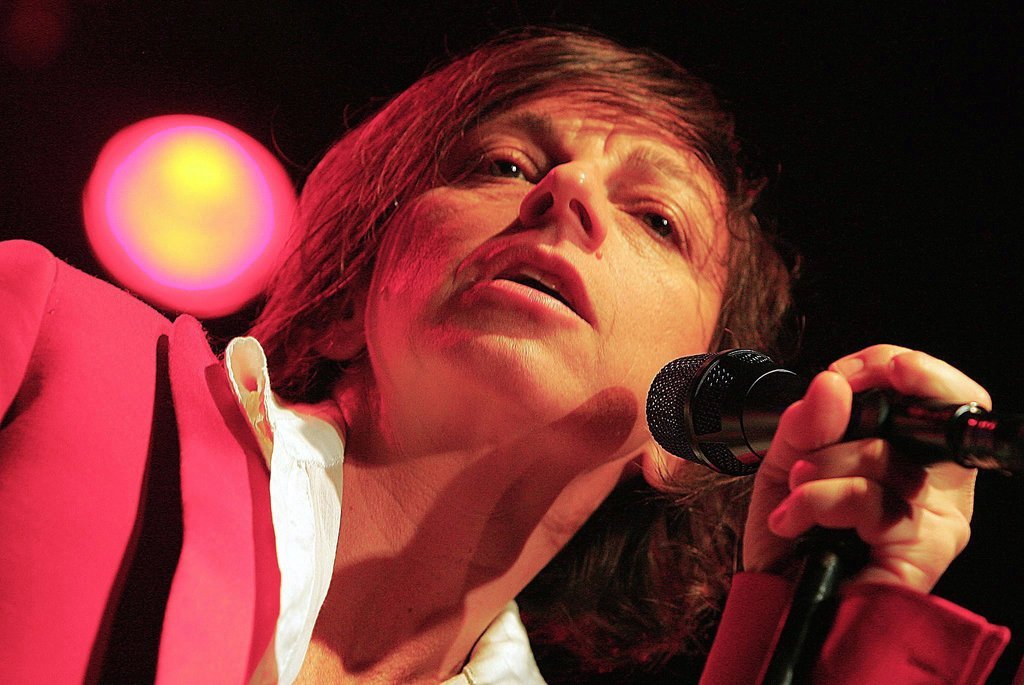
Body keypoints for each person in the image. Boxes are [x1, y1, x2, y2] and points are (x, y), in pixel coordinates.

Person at [0, 27, 1010, 684]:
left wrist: (839, 610)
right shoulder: (50, 346)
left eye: (656, 219)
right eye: (503, 162)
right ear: (351, 301)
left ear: (691, 422)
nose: (564, 193)